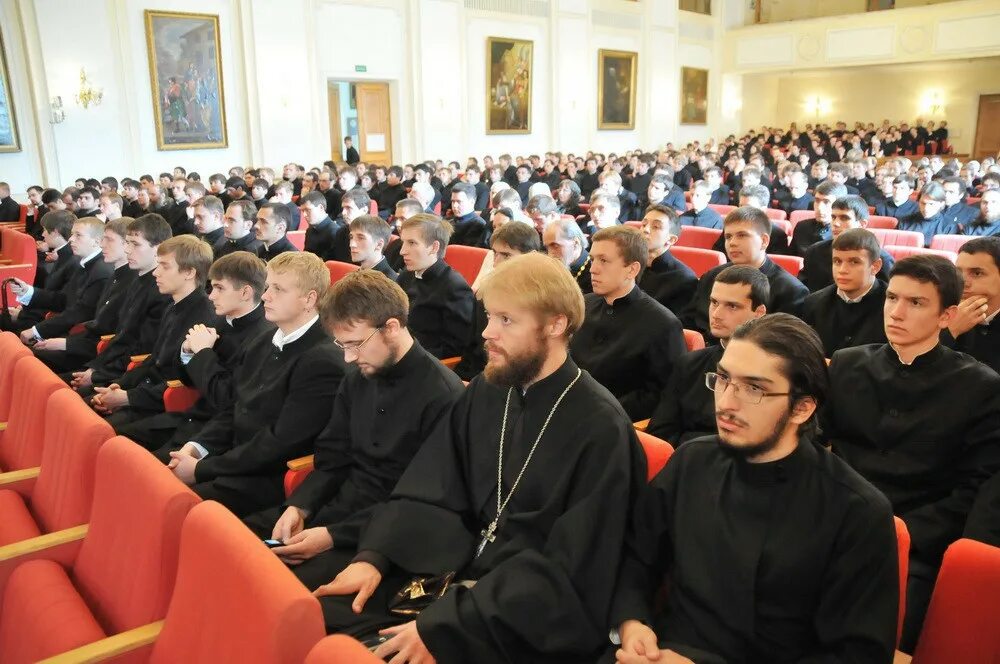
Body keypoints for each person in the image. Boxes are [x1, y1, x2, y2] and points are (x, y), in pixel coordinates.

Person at [312, 252, 644, 663]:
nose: (487, 332)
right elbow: (431, 485)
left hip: (520, 609)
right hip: (452, 567)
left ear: (556, 324)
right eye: (489, 317)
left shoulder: (600, 428)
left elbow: (570, 567)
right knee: (322, 611)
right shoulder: (491, 390)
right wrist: (375, 557)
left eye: (506, 320)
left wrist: (449, 624)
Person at [611, 314, 898, 664]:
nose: (727, 403)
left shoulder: (857, 511)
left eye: (754, 389)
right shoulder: (692, 461)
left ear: (802, 407)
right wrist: (632, 624)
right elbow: (636, 557)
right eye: (724, 379)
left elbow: (857, 655)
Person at [243, 270, 465, 587]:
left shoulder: (444, 396)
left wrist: (332, 536)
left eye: (355, 344)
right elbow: (333, 458)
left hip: (384, 535)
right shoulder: (359, 374)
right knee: (237, 541)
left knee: (278, 587)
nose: (348, 358)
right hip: (335, 509)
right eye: (341, 344)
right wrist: (300, 506)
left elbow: (421, 503)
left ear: (391, 328)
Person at [824, 254, 1000, 651]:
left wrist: (903, 531)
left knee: (884, 634)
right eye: (892, 299)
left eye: (915, 303)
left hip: (915, 541)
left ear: (946, 316)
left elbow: (976, 486)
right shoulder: (848, 364)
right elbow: (817, 446)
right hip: (834, 520)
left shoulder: (980, 386)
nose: (896, 313)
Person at [167, 252, 346, 516]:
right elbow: (234, 407)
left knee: (173, 505)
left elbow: (278, 444)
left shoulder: (323, 362)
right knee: (155, 483)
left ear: (309, 299)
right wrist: (196, 448)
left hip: (268, 478)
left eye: (278, 289)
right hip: (232, 461)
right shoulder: (265, 339)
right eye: (267, 287)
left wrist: (201, 469)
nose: (265, 296)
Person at [113, 251, 273, 453]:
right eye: (212, 287)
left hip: (216, 433)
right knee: (114, 436)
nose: (211, 295)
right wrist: (187, 352)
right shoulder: (221, 319)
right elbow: (188, 380)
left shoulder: (263, 338)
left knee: (134, 464)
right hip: (191, 416)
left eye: (219, 288)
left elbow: (225, 399)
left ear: (245, 293)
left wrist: (203, 352)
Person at [90, 236, 219, 427]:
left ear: (189, 272)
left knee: (98, 429)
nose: (156, 273)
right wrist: (119, 385)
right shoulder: (172, 306)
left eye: (165, 267)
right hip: (145, 393)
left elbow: (179, 382)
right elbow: (153, 360)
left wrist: (127, 397)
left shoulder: (204, 318)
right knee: (81, 405)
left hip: (166, 406)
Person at [570, 226, 685, 420]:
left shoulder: (663, 324)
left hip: (613, 420)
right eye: (593, 259)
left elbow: (661, 395)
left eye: (604, 261)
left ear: (632, 269)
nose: (593, 269)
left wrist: (600, 411)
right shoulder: (584, 303)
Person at [647, 266, 768, 445]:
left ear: (759, 313)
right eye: (714, 302)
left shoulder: (773, 372)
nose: (717, 314)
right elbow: (661, 431)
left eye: (732, 306)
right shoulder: (689, 363)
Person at [68, 215, 172, 389]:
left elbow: (140, 349)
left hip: (130, 376)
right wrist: (94, 368)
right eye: (127, 243)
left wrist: (98, 374)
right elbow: (122, 336)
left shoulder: (160, 291)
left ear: (158, 248)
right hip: (113, 366)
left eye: (135, 244)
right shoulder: (137, 280)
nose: (128, 250)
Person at [683, 207, 808, 338]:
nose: (732, 243)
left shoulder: (790, 290)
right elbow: (690, 321)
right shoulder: (711, 276)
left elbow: (780, 344)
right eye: (728, 236)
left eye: (742, 235)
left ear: (764, 241)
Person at [32, 218, 137, 373]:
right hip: (89, 346)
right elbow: (91, 320)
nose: (102, 245)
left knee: (33, 363)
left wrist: (67, 345)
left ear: (126, 244)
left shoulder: (110, 274)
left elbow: (114, 336)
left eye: (108, 240)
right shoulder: (114, 274)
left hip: (99, 356)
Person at [454, 221, 540, 381]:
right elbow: (472, 350)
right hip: (477, 377)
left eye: (506, 255)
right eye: (495, 254)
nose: (496, 263)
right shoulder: (484, 294)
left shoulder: (539, 302)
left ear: (531, 256)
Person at [10, 217, 113, 343]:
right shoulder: (85, 263)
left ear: (96, 241)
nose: (70, 239)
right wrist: (27, 291)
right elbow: (62, 299)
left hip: (78, 337)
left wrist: (37, 330)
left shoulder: (101, 271)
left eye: (78, 235)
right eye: (72, 234)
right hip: (65, 327)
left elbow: (79, 314)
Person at [396, 214, 474, 359]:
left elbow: (455, 349)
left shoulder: (455, 288)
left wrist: (404, 357)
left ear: (434, 247)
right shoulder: (406, 275)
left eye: (412, 243)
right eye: (403, 242)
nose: (402, 251)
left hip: (422, 363)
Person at [801, 228, 888, 357]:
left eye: (854, 262)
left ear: (875, 266)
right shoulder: (814, 303)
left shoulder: (892, 306)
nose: (842, 270)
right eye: (837, 261)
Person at [799, 195, 895, 292]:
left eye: (844, 218)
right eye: (833, 217)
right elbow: (803, 289)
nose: (835, 223)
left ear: (862, 224)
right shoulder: (815, 251)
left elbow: (887, 297)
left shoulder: (882, 259)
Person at [946, 236, 1000, 373]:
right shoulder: (943, 312)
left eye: (977, 273)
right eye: (958, 272)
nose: (963, 282)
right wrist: (950, 332)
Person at [638, 204, 697, 314]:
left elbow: (674, 325)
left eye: (655, 226)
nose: (645, 230)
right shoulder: (628, 264)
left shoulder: (684, 279)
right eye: (644, 224)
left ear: (671, 239)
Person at [788, 180, 847, 257]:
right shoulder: (802, 227)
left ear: (840, 205)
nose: (819, 207)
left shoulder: (845, 232)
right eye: (817, 200)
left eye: (827, 202)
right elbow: (790, 259)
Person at [543, 217, 593, 294]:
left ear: (576, 242)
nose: (550, 254)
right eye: (547, 248)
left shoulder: (594, 273)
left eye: (555, 246)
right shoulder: (553, 268)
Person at [898, 182, 957, 247]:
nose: (926, 208)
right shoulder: (904, 221)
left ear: (941, 203)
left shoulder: (949, 226)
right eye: (923, 203)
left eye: (931, 204)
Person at [349, 214, 397, 280]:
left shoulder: (389, 283)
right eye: (351, 237)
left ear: (379, 244)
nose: (352, 244)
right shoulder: (356, 275)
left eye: (361, 238)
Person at [448, 182, 490, 248]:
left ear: (472, 202)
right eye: (453, 201)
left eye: (459, 202)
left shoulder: (479, 225)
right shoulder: (448, 221)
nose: (455, 206)